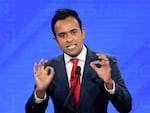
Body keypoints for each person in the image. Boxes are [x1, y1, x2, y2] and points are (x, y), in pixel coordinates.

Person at [25, 8, 132, 113]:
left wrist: (109, 84)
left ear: (82, 33)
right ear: (56, 40)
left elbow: (125, 107)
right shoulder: (49, 68)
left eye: (73, 32)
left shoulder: (104, 62)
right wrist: (40, 92)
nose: (69, 39)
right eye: (62, 35)